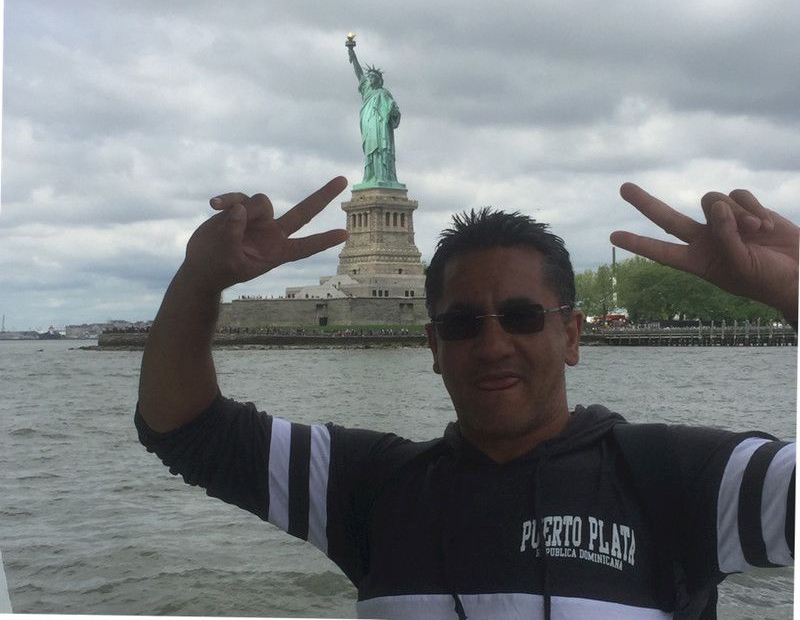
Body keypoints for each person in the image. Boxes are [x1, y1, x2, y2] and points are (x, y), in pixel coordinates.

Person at [136, 177, 796, 620]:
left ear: (570, 334)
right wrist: (200, 281)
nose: (492, 343)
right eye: (461, 323)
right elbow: (184, 428)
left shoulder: (679, 480)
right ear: (433, 345)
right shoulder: (369, 488)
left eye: (521, 316)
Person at [347, 44, 402, 186]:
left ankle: (384, 177)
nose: (370, 79)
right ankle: (371, 176)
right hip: (369, 124)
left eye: (373, 77)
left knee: (382, 149)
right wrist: (353, 56)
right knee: (371, 151)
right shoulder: (367, 90)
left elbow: (395, 111)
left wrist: (394, 113)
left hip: (381, 126)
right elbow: (359, 74)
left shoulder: (384, 93)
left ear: (379, 79)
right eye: (369, 77)